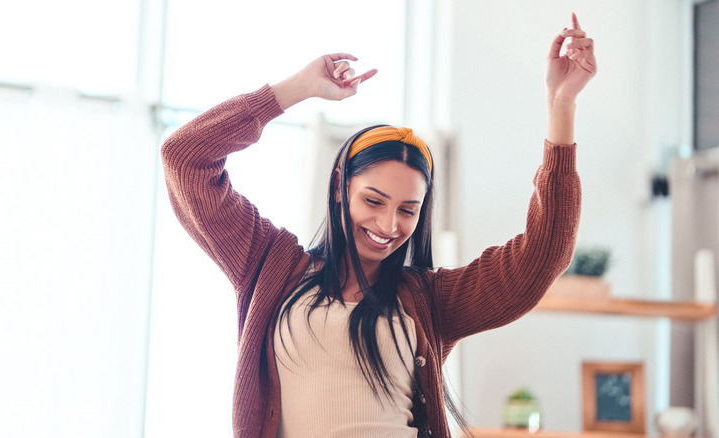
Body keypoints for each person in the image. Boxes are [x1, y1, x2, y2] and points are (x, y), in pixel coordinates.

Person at [161, 13, 596, 438]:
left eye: (408, 210)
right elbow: (185, 157)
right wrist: (296, 89)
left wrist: (562, 104)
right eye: (373, 200)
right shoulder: (268, 265)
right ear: (339, 187)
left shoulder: (431, 302)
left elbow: (544, 254)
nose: (389, 224)